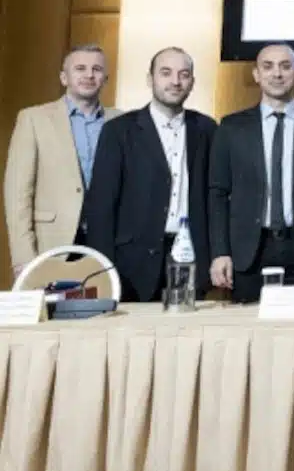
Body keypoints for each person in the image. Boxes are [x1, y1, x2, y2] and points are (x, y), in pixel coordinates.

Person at [84, 47, 216, 302]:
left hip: (191, 258)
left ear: (192, 82)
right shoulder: (118, 131)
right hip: (131, 265)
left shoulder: (207, 129)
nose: (175, 81)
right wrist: (103, 269)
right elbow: (101, 206)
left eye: (184, 74)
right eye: (166, 73)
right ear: (150, 79)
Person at [207, 43, 294, 302]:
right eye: (268, 67)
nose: (277, 74)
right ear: (256, 75)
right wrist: (220, 252)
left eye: (285, 66)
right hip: (247, 253)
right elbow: (217, 194)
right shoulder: (231, 127)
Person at [5, 44, 120, 276]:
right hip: (52, 243)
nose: (89, 75)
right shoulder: (34, 119)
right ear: (63, 77)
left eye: (97, 69)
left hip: (109, 243)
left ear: (105, 79)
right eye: (80, 68)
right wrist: (23, 256)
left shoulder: (122, 121)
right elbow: (18, 193)